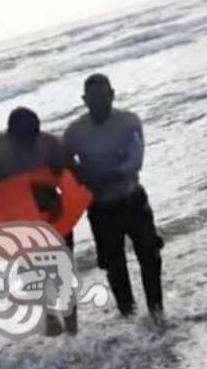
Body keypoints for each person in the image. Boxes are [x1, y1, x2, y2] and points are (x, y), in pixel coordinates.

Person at [63, 74, 164, 322]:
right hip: (100, 207)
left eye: (103, 96)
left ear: (112, 94)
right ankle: (128, 315)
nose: (99, 102)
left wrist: (111, 175)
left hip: (131, 199)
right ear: (84, 100)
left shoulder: (128, 121)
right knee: (113, 265)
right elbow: (64, 164)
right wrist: (80, 180)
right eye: (93, 98)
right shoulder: (75, 132)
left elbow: (135, 158)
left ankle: (157, 311)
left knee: (149, 256)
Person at [0, 107, 78, 336]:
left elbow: (70, 171)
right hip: (18, 221)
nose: (31, 140)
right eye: (25, 136)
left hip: (51, 213)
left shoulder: (49, 143)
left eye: (34, 133)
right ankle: (49, 315)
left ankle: (73, 328)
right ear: (10, 132)